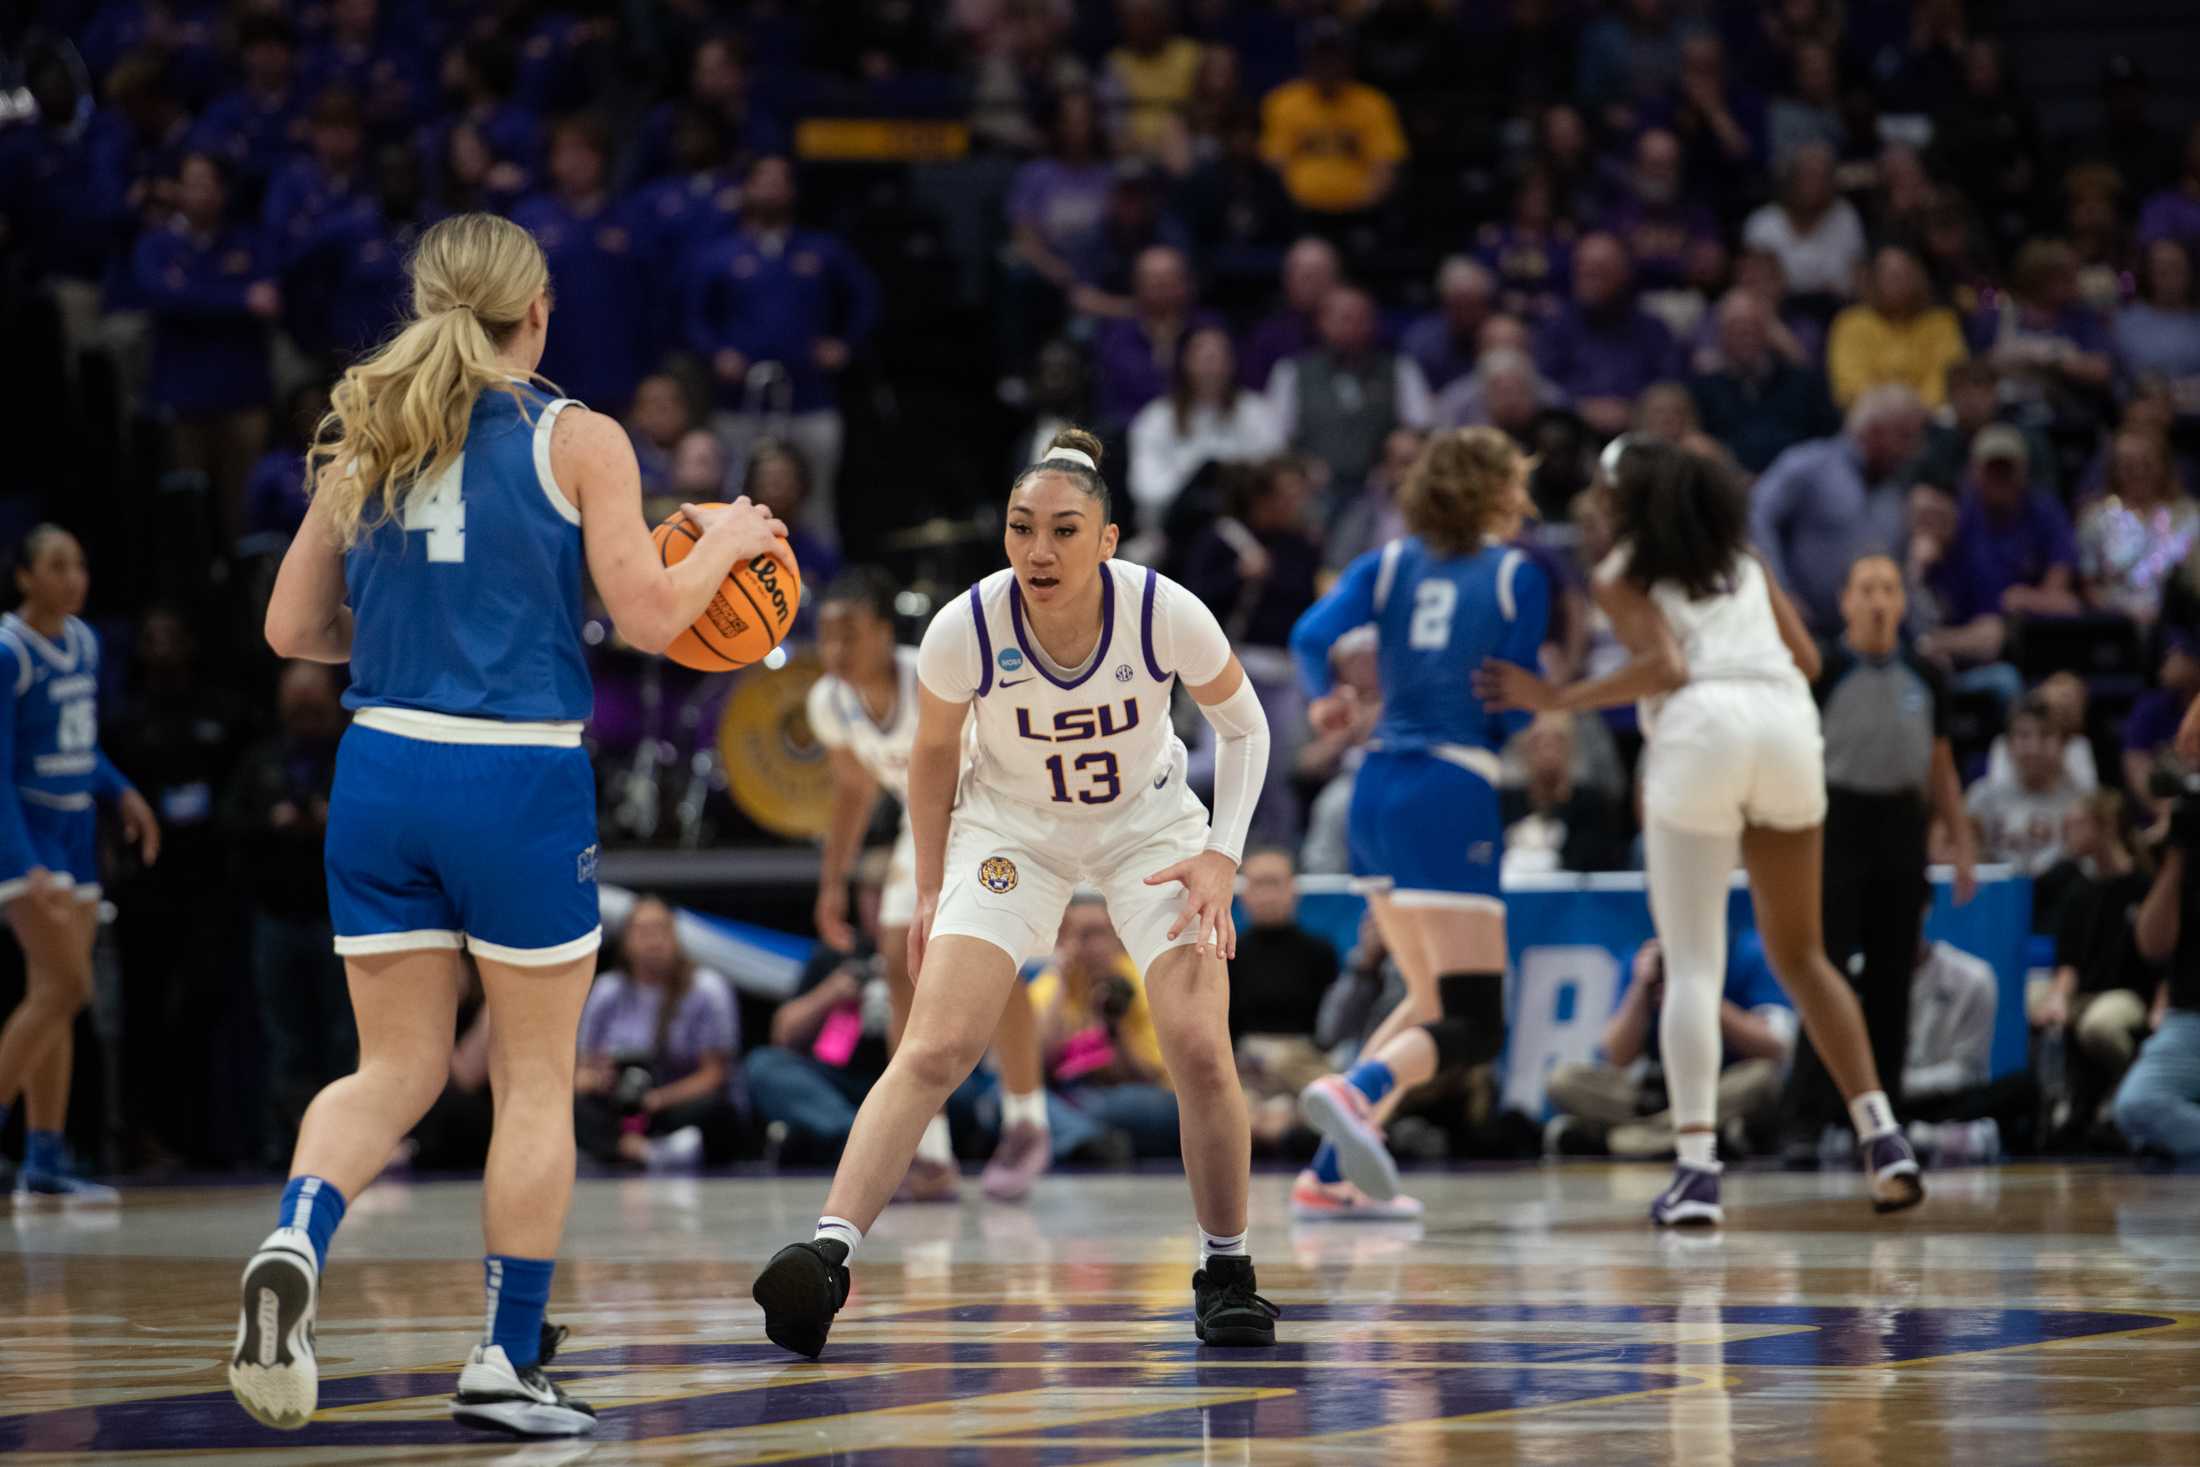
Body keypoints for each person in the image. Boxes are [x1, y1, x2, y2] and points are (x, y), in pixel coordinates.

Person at [232, 212, 790, 1436]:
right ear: (536, 312)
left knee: (393, 1069)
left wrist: (396, 648)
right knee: (534, 1082)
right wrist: (734, 541)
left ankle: (295, 1237)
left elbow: (289, 633)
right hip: (516, 779)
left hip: (380, 770)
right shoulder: (577, 436)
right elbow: (649, 618)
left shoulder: (363, 435)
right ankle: (499, 1357)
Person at [750, 427, 1278, 1358]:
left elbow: (1246, 730)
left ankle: (1226, 1270)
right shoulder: (967, 626)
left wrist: (1224, 856)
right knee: (937, 1044)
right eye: (1022, 527)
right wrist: (925, 886)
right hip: (1010, 833)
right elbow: (929, 757)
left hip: (1149, 829)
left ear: (1108, 540)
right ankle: (826, 1256)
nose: (1040, 549)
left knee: (1199, 1046)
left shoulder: (1165, 610)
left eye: (1066, 530)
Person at [1479, 439, 1925, 1225]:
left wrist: (1560, 695)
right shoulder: (1745, 560)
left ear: (1625, 500)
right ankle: (1883, 1136)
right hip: (1786, 726)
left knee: (1691, 963)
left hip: (1701, 731)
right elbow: (1812, 658)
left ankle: (1695, 1170)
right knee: (1805, 954)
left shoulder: (1621, 571)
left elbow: (1668, 668)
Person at [1286, 428, 1548, 1220]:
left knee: (1430, 998)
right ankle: (1353, 1089)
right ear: (1499, 491)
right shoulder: (1515, 576)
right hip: (1450, 787)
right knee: (1473, 1021)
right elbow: (1508, 699)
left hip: (1374, 789)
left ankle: (1327, 1176)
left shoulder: (1387, 563)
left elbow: (1309, 636)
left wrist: (1323, 698)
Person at [806, 569, 1051, 1204]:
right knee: (897, 961)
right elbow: (855, 793)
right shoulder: (827, 701)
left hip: (998, 814)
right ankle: (931, 1152)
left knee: (995, 965)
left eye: (850, 635)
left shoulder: (933, 673)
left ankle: (1027, 1119)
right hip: (927, 825)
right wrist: (832, 884)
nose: (835, 652)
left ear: (884, 633)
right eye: (826, 638)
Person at [1784, 554, 1976, 1150]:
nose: (1877, 600)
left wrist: (1960, 838)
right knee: (1827, 970)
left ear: (1902, 601)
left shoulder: (1926, 673)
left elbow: (1940, 762)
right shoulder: (1823, 668)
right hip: (1835, 825)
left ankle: (1880, 1119)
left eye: (1888, 589)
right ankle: (1807, 1117)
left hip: (1901, 826)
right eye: (1866, 588)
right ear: (1845, 600)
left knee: (1894, 977)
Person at [0, 528, 160, 1199]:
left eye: (80, 563)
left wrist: (122, 789)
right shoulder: (10, 652)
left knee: (54, 998)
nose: (73, 577)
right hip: (26, 830)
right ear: (24, 578)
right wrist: (24, 862)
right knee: (68, 987)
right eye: (57, 565)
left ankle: (45, 1157)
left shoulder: (87, 642)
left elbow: (81, 746)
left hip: (75, 830)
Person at [223, 662, 352, 1164]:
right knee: (286, 1040)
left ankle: (343, 1146)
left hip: (337, 918)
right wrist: (269, 821)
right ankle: (289, 1146)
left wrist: (328, 820)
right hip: (276, 917)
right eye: (295, 703)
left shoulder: (350, 754)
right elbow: (230, 824)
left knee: (344, 1037)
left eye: (312, 703)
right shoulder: (262, 761)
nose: (304, 713)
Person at [1545, 935, 1794, 1159]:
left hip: (1719, 1087)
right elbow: (1616, 1056)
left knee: (1764, 1079)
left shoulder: (1748, 952)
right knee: (1563, 1079)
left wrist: (1702, 997)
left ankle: (1619, 1139)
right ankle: (1681, 1137)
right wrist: (1641, 987)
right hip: (1654, 1093)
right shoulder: (1643, 958)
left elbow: (1775, 1048)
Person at [573, 897, 747, 1170]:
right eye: (642, 932)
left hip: (675, 1104)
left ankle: (630, 1151)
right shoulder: (607, 990)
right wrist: (598, 1081)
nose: (652, 942)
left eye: (661, 931)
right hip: (620, 1106)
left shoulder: (707, 989)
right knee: (571, 1106)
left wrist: (658, 1100)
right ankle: (638, 1151)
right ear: (626, 940)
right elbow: (580, 1073)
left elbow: (715, 1074)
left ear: (676, 937)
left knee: (716, 1110)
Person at [1750, 385, 1927, 634]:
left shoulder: (1899, 489)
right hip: (1806, 633)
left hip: (1873, 641)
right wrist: (1780, 591)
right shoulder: (1810, 466)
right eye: (1905, 436)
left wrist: (1922, 635)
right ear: (1873, 431)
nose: (1912, 450)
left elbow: (1903, 570)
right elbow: (1758, 516)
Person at [1030, 893, 1181, 1159]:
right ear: (1063, 941)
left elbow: (1150, 1075)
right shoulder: (1048, 987)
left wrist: (1113, 1028)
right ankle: (1087, 1137)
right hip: (1067, 1096)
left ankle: (1075, 1135)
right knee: (1004, 1101)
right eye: (1082, 935)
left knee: (1137, 1104)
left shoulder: (1145, 983)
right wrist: (1063, 988)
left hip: (1124, 1092)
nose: (1095, 946)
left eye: (1102, 933)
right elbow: (1032, 1067)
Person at [2114, 761, 2200, 1162]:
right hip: (2190, 1018)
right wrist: (2177, 855)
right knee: (2136, 1107)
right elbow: (2152, 945)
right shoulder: (2181, 855)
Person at [1269, 287, 1433, 491]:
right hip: (1311, 491)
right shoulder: (1291, 372)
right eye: (1344, 319)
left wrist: (1391, 464)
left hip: (1383, 492)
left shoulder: (1400, 369)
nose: (1352, 327)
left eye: (1361, 319)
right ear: (1321, 322)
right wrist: (1302, 467)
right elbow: (1276, 442)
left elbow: (1421, 431)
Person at [1126, 326, 1283, 537]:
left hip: (1247, 525)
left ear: (1232, 362)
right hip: (1173, 529)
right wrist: (1195, 478)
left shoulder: (1256, 412)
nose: (1211, 365)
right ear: (1185, 361)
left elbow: (1273, 475)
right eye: (1203, 356)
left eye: (1219, 356)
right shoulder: (1156, 417)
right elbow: (1145, 488)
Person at [1257, 19, 1406, 219]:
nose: (1327, 63)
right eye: (1320, 55)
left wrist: (1362, 205)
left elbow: (1386, 165)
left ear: (1348, 59)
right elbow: (1274, 163)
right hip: (1299, 215)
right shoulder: (1283, 102)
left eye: (1334, 56)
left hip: (1360, 215)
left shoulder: (1373, 104)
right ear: (1307, 59)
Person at [1535, 232, 1678, 437]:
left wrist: (1635, 410)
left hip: (1642, 429)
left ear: (1624, 273)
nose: (1589, 280)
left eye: (1599, 272)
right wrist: (1579, 408)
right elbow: (1542, 385)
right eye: (1584, 271)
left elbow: (1669, 384)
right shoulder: (1555, 328)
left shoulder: (1653, 331)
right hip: (1572, 432)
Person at [1688, 289, 1838, 475]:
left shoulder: (1803, 382)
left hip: (1798, 486)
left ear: (1769, 331)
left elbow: (1829, 439)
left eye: (1752, 325)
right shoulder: (1704, 389)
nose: (1744, 333)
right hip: (1728, 487)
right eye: (1735, 326)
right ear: (1721, 334)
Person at [1826, 247, 1969, 411]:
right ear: (1874, 281)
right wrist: (1890, 412)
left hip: (1931, 417)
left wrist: (1916, 410)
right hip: (1871, 420)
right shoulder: (1851, 323)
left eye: (1904, 273)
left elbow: (1948, 376)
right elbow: (1849, 385)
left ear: (1918, 277)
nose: (1899, 281)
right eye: (1890, 275)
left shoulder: (1941, 322)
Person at [1966, 696, 2085, 878]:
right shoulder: (1981, 798)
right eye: (2023, 736)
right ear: (2008, 744)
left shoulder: (2080, 803)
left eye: (2045, 735)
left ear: (2063, 744)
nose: (2034, 747)